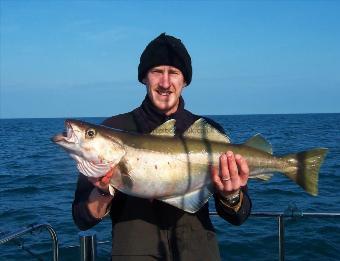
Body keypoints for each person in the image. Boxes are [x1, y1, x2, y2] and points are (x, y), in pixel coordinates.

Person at [73, 33, 252, 261]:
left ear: (184, 81)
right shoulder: (110, 130)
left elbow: (239, 217)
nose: (165, 83)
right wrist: (102, 191)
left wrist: (232, 195)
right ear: (144, 78)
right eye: (157, 72)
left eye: (174, 73)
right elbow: (81, 218)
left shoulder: (209, 134)